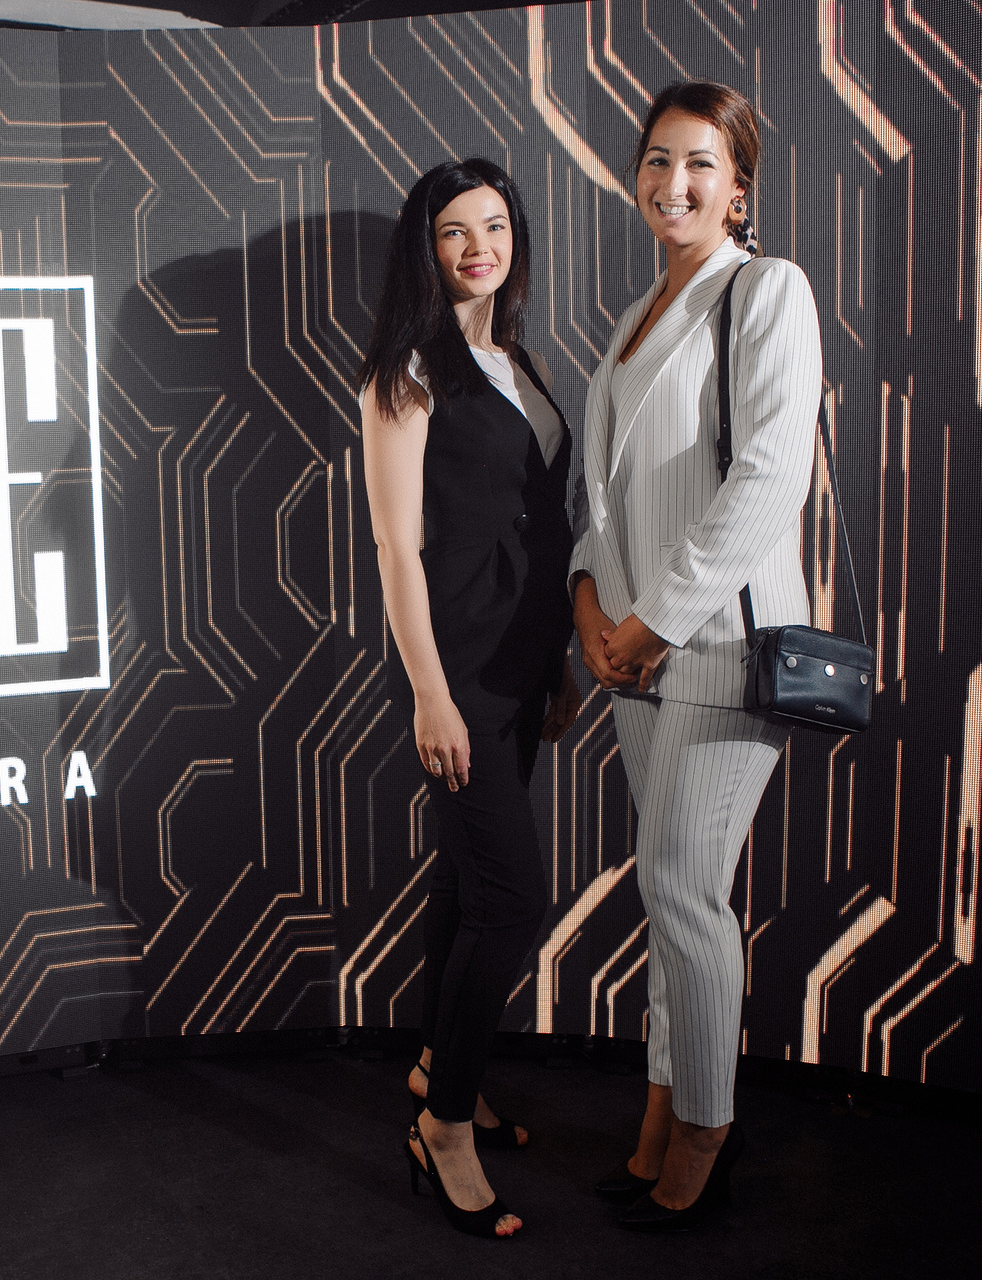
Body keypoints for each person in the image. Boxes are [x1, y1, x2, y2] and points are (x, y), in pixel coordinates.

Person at [569, 80, 821, 1231]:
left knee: (681, 886)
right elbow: (607, 499)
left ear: (739, 189)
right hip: (634, 655)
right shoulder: (632, 319)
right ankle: (664, 1105)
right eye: (658, 160)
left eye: (701, 163)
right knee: (669, 898)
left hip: (720, 638)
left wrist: (654, 620)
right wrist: (591, 605)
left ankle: (710, 1128)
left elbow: (769, 476)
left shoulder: (765, 290)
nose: (675, 182)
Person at [359, 157, 581, 1239]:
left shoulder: (515, 358)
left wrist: (557, 662)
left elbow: (536, 516)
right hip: (456, 671)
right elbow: (397, 550)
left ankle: (440, 1066)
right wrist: (429, 696)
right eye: (455, 230)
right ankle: (443, 1124)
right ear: (427, 246)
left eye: (494, 226)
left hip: (522, 664)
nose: (478, 247)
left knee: (463, 883)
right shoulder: (406, 371)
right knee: (510, 900)